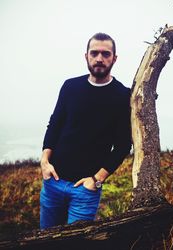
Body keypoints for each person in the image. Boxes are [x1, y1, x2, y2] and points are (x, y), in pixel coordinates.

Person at [40, 33, 132, 229]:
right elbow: (55, 124)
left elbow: (124, 144)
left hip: (86, 189)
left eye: (106, 54)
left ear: (114, 58)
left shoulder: (123, 95)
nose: (99, 58)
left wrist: (97, 180)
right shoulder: (70, 86)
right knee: (45, 239)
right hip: (53, 182)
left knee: (76, 243)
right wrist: (44, 161)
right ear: (86, 56)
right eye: (94, 53)